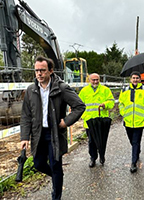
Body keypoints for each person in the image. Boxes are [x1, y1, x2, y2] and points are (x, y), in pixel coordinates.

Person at [20, 56, 85, 200]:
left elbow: (79, 106)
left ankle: (56, 195)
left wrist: (65, 122)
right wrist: (24, 137)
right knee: (38, 164)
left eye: (42, 70)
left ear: (50, 71)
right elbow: (25, 115)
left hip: (54, 133)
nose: (39, 74)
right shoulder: (31, 90)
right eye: (36, 70)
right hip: (38, 134)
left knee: (55, 164)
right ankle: (57, 177)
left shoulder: (61, 88)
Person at [118, 71, 144, 173]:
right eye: (133, 78)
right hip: (128, 120)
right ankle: (137, 151)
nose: (135, 80)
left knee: (135, 141)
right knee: (132, 141)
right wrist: (123, 113)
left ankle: (133, 163)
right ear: (130, 79)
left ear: (140, 79)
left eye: (137, 78)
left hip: (140, 121)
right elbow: (120, 103)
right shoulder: (124, 90)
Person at [79, 73, 114, 167]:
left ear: (99, 80)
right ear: (89, 80)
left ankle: (102, 156)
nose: (95, 82)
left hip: (101, 121)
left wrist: (105, 105)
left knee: (102, 140)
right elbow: (79, 105)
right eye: (93, 80)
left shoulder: (105, 90)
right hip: (89, 121)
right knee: (91, 141)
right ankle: (93, 158)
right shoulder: (84, 91)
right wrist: (83, 116)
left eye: (97, 80)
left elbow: (111, 102)